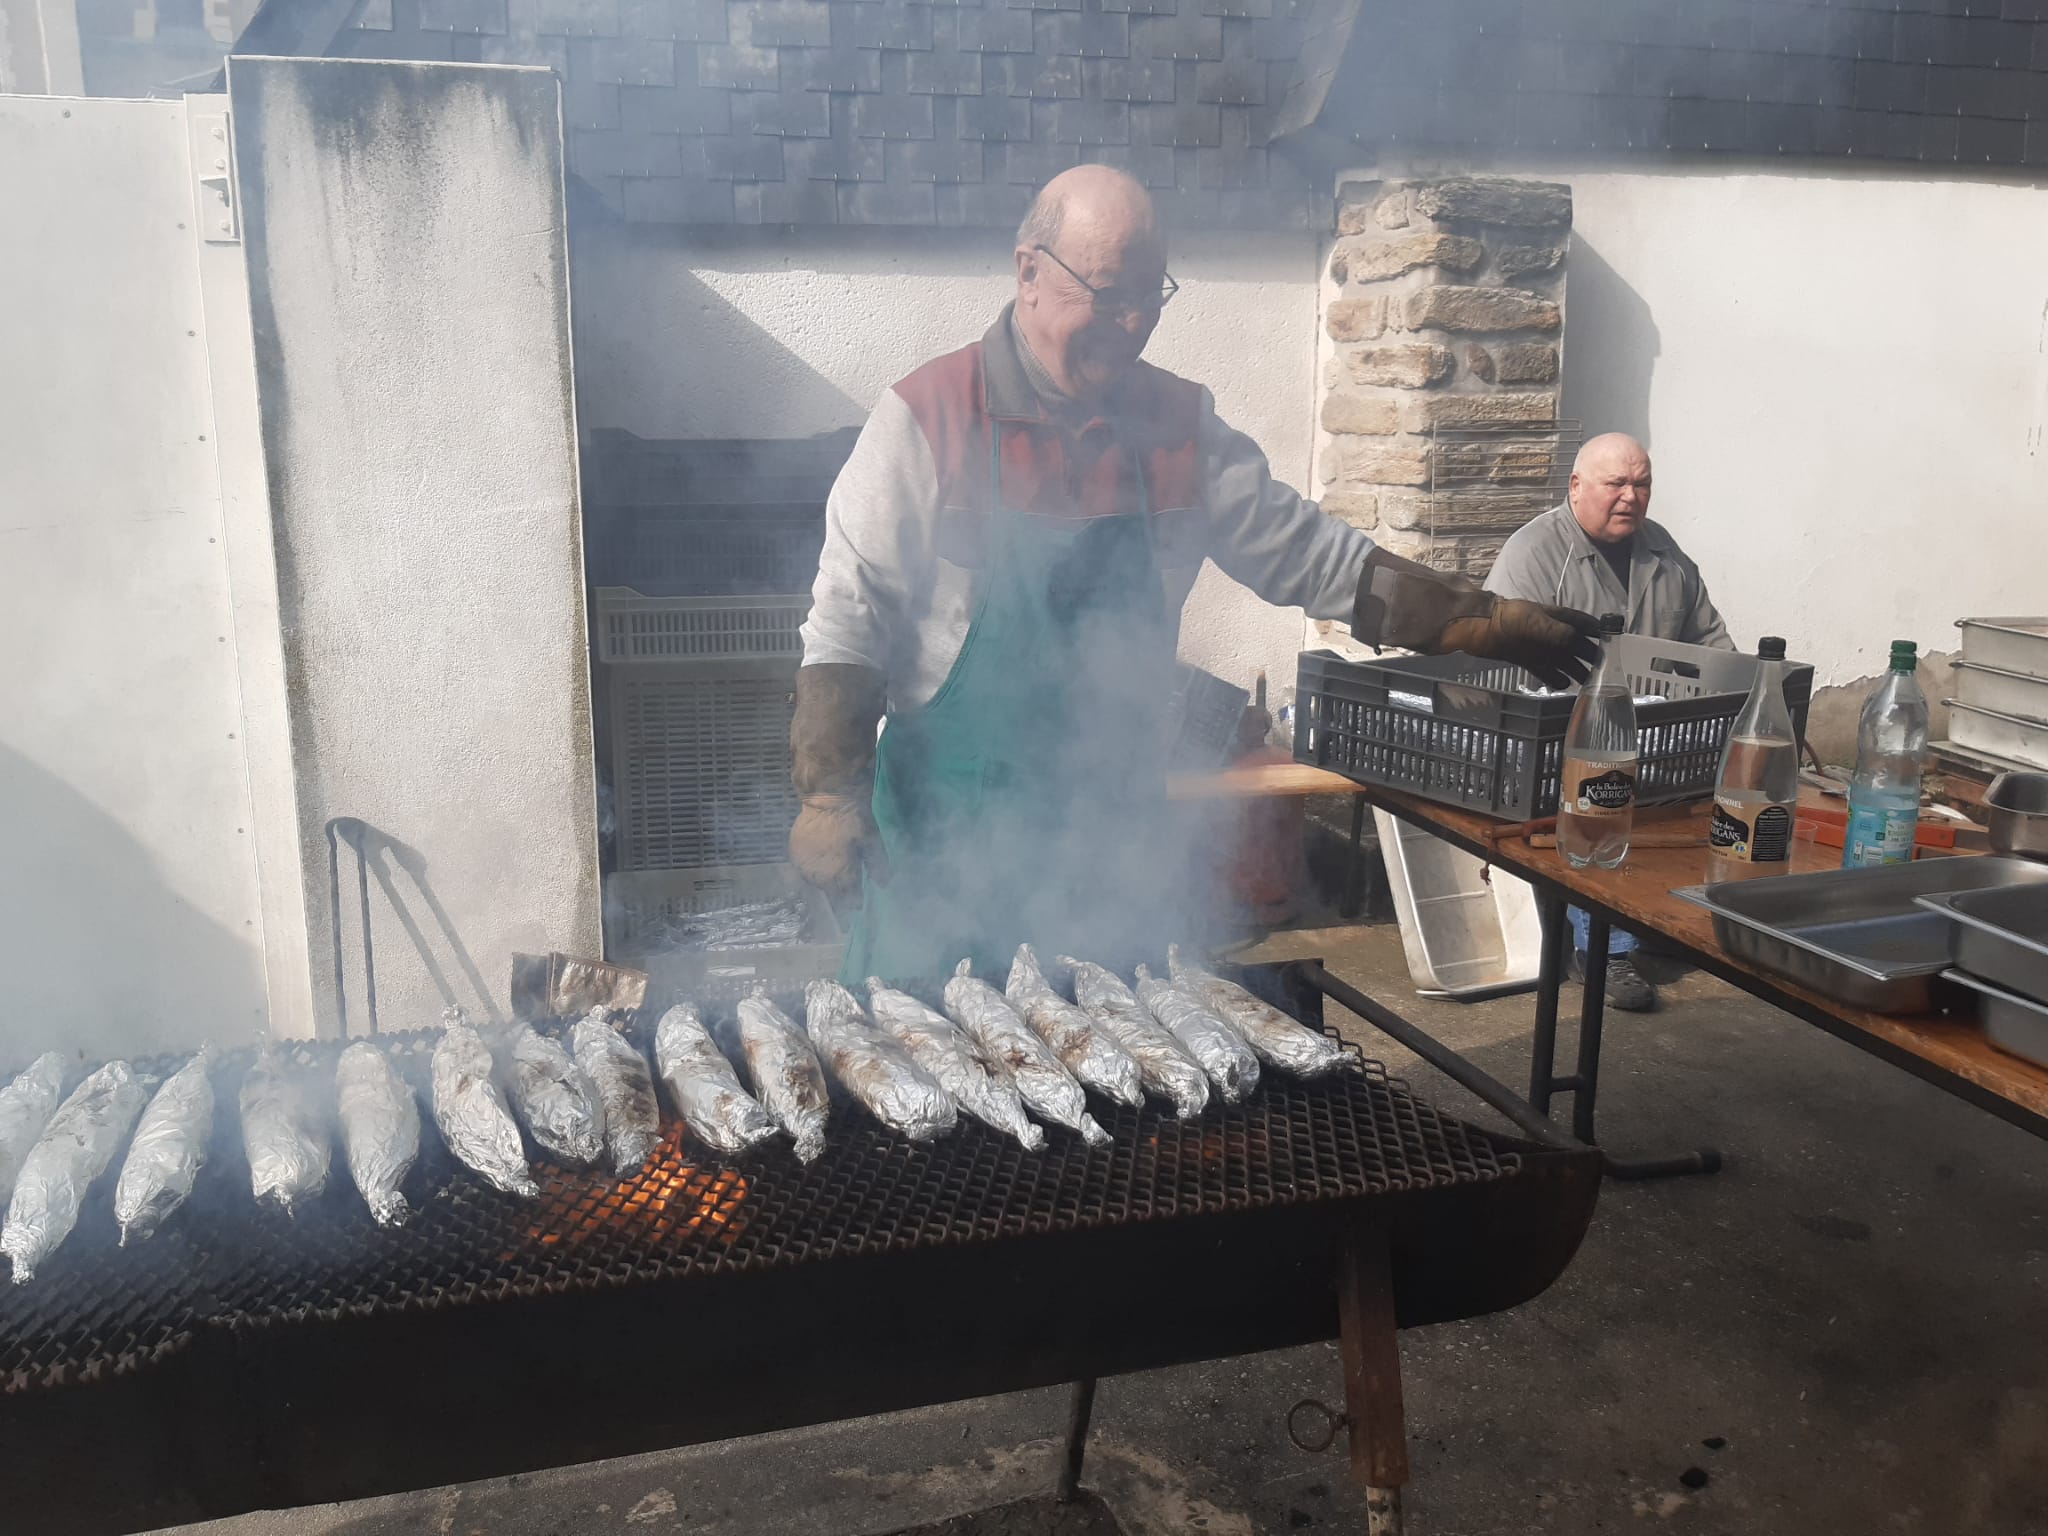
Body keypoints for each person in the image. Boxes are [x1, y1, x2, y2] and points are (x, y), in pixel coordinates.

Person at [791, 165, 1601, 982]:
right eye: (1107, 294)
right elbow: (851, 614)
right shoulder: (927, 417)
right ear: (1028, 271)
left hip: (1106, 855)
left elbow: (1309, 554)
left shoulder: (1179, 428)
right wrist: (828, 791)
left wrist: (1472, 620)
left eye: (1150, 295)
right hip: (944, 852)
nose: (1134, 321)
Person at [1485, 432, 1735, 1012]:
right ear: (1576, 487)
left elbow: (1710, 640)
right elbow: (1499, 658)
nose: (1630, 496)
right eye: (1615, 483)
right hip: (1557, 742)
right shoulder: (1536, 552)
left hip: (1653, 735)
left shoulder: (1664, 552)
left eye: (1641, 483)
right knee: (1595, 800)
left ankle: (1656, 926)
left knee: (1702, 800)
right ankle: (1604, 947)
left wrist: (1734, 700)